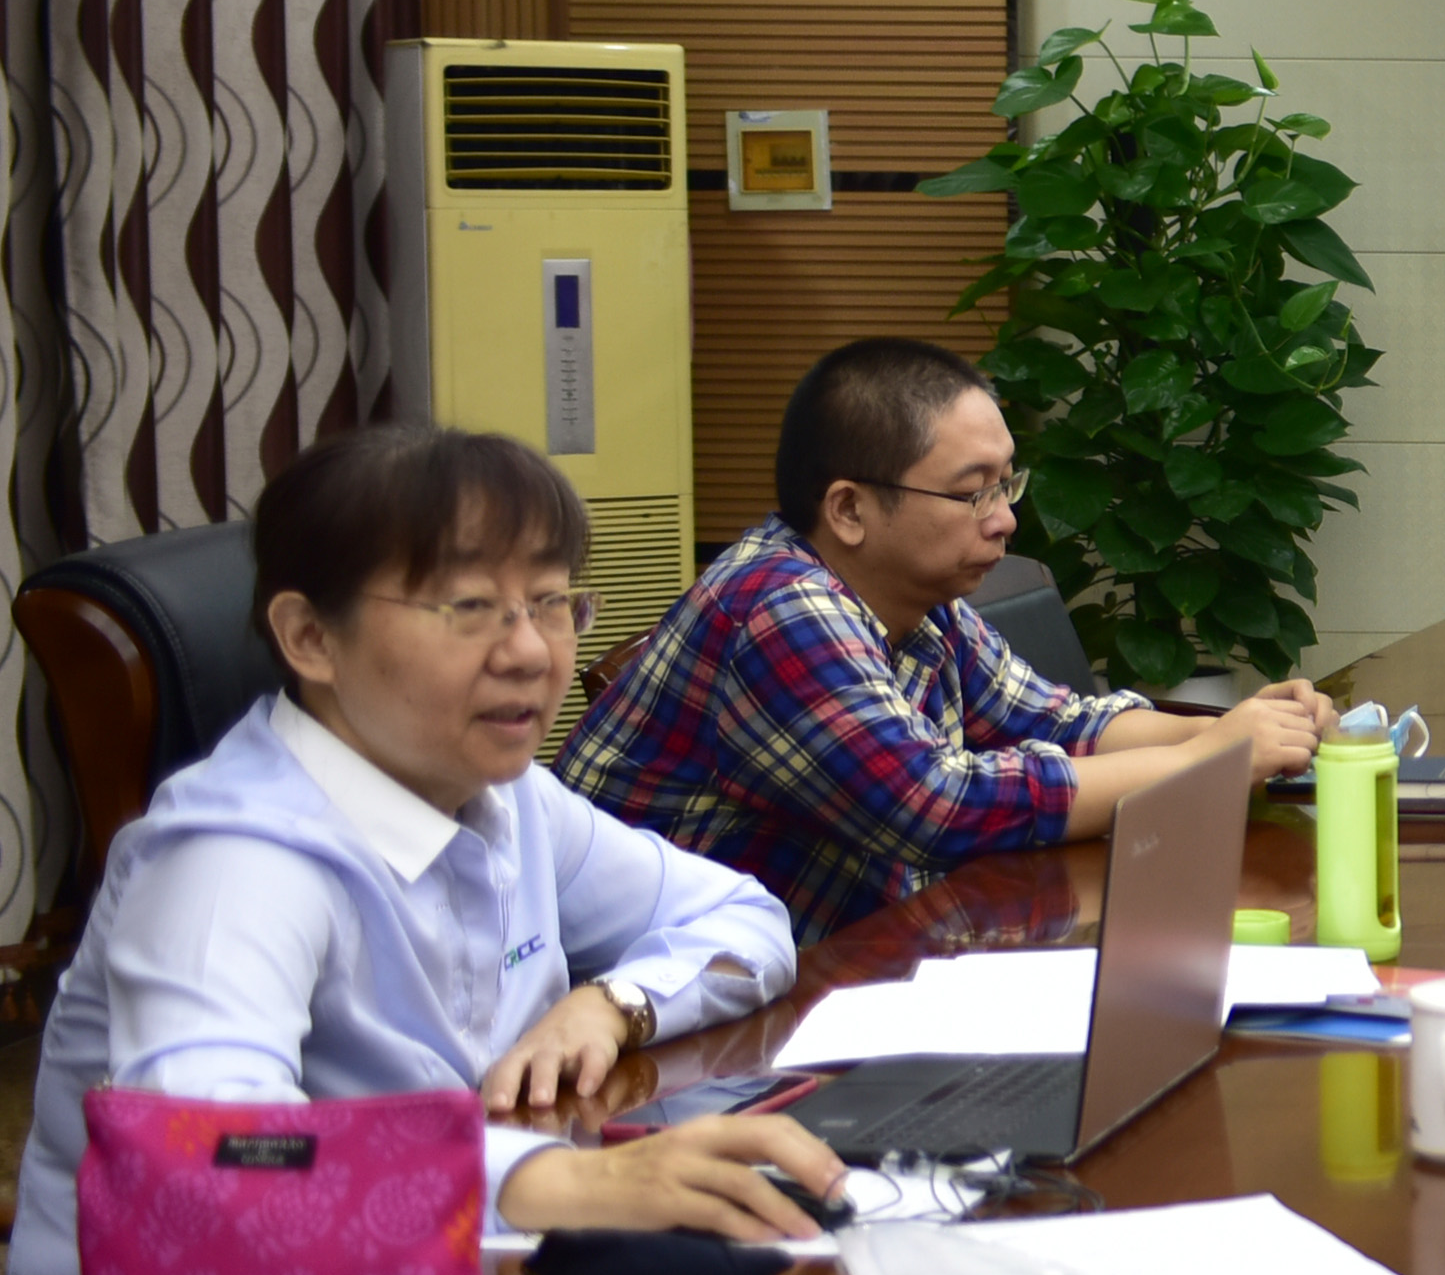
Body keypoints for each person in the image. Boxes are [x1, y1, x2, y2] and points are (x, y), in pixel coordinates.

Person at [9, 427, 835, 1275]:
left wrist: (612, 1005)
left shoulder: (508, 794)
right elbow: (214, 1154)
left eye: (552, 602)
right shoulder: (232, 862)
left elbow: (742, 916)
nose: (531, 652)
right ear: (310, 637)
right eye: (470, 607)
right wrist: (550, 1180)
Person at [561, 338, 1333, 934]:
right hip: (670, 1020)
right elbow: (938, 803)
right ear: (850, 509)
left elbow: (1060, 721)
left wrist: (1255, 730)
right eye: (972, 493)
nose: (1005, 518)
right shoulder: (782, 607)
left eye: (1006, 483)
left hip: (828, 966)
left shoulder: (919, 598)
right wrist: (1206, 762)